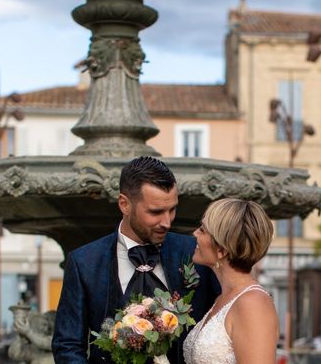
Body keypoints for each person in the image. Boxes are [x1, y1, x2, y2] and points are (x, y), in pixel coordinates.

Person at [52, 156, 220, 364]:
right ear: (124, 204)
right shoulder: (83, 262)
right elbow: (67, 346)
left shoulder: (195, 252)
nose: (167, 222)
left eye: (172, 209)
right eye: (155, 212)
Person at [183, 198, 279, 364]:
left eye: (202, 230)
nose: (195, 234)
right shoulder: (222, 299)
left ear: (221, 250)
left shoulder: (253, 303)